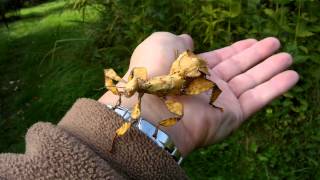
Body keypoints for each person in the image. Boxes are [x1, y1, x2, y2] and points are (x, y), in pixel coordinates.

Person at [0, 32, 299, 179]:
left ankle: (215, 104)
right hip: (165, 86)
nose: (130, 86)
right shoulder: (140, 82)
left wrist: (130, 93)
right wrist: (127, 90)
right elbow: (134, 81)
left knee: (189, 93)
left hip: (180, 84)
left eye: (131, 85)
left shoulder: (146, 83)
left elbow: (146, 84)